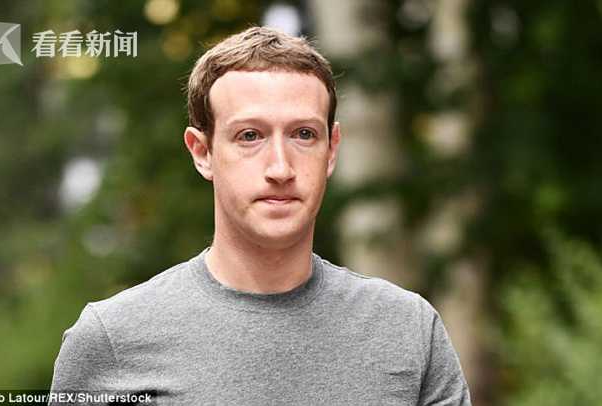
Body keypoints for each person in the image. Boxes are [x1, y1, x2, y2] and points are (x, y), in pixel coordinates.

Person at [49, 26, 472, 405]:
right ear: (202, 152)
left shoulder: (408, 331)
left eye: (303, 134)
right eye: (249, 136)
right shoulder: (114, 341)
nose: (280, 168)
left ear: (331, 150)